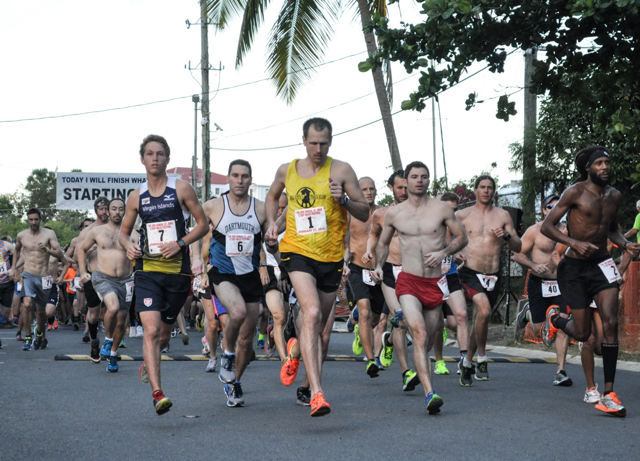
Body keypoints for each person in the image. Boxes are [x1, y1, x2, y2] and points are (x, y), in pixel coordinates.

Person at [264, 117, 369, 417]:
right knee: (310, 313)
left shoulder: (342, 170)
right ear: (303, 140)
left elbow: (364, 212)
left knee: (319, 323)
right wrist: (273, 222)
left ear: (331, 141)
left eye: (323, 143)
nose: (318, 149)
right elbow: (272, 196)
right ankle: (317, 392)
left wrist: (345, 200)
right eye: (313, 143)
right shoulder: (288, 170)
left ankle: (295, 351)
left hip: (331, 256)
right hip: (297, 251)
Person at [540, 146, 640, 417]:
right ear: (588, 168)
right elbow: (546, 226)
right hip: (573, 268)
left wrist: (626, 245)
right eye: (599, 163)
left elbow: (613, 229)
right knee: (583, 333)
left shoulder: (615, 196)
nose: (605, 167)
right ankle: (556, 320)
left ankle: (608, 394)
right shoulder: (574, 192)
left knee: (611, 323)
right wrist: (573, 242)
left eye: (608, 162)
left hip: (602, 265)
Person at [119, 134, 208, 415]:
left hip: (178, 273)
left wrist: (180, 243)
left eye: (159, 154)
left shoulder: (181, 189)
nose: (154, 158)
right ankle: (158, 394)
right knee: (152, 330)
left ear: (167, 159)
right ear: (142, 158)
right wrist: (129, 246)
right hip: (147, 271)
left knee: (165, 335)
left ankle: (151, 360)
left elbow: (203, 224)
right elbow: (123, 233)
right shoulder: (136, 196)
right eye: (149, 154)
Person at [373, 161, 468, 414]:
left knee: (426, 342)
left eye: (424, 177)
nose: (419, 181)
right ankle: (430, 393)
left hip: (434, 283)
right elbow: (382, 244)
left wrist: (443, 253)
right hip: (409, 281)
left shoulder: (442, 210)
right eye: (414, 177)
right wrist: (379, 265)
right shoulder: (394, 214)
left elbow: (463, 237)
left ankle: (412, 355)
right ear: (406, 180)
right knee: (420, 333)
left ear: (429, 180)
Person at [200, 159, 270, 408]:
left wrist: (272, 245)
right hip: (222, 272)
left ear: (251, 180)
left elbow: (271, 240)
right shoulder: (212, 207)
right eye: (235, 176)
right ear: (228, 179)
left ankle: (234, 382)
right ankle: (226, 356)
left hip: (249, 274)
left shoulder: (261, 208)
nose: (240, 180)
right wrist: (199, 264)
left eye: (245, 176)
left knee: (247, 340)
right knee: (237, 312)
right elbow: (197, 236)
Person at [455, 175, 522, 385]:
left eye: (489, 188)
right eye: (482, 187)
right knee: (483, 310)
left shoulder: (503, 216)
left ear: (494, 191)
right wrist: (454, 253)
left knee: (480, 320)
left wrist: (507, 236)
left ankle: (466, 363)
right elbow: (445, 238)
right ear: (475, 190)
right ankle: (482, 359)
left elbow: (518, 247)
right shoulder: (462, 215)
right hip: (470, 271)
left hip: (493, 274)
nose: (485, 191)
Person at [362, 170, 420, 391]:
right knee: (401, 317)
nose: (404, 192)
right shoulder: (381, 214)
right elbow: (374, 234)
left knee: (419, 324)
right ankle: (406, 372)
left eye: (406, 187)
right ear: (391, 188)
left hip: (414, 272)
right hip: (389, 271)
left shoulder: (420, 213)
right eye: (399, 188)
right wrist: (370, 253)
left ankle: (387, 341)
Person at [513, 194, 572, 386]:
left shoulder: (569, 231)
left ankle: (561, 371)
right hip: (538, 283)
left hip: (560, 284)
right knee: (539, 330)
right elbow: (518, 255)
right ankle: (528, 313)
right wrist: (532, 265)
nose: (553, 209)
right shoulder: (535, 231)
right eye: (549, 207)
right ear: (543, 210)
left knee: (562, 325)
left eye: (557, 206)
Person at [78, 198, 135, 372]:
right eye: (113, 209)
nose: (117, 212)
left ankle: (112, 353)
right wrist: (82, 272)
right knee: (113, 307)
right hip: (103, 277)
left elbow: (140, 252)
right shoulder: (97, 231)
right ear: (108, 212)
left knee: (121, 321)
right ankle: (108, 340)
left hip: (126, 280)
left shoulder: (133, 233)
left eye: (120, 209)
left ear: (124, 211)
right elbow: (81, 249)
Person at [344, 177, 385, 377]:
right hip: (357, 268)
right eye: (364, 189)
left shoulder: (383, 213)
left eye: (372, 189)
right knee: (365, 312)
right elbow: (344, 243)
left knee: (375, 318)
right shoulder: (350, 214)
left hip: (378, 270)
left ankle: (361, 332)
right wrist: (344, 263)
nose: (369, 192)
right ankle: (371, 360)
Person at [9, 209, 66, 351]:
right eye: (31, 219)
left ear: (40, 219)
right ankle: (28, 336)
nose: (33, 222)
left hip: (44, 277)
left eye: (36, 219)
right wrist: (13, 268)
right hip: (28, 274)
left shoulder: (48, 234)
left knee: (41, 311)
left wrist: (47, 250)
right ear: (27, 220)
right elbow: (16, 251)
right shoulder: (22, 235)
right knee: (27, 305)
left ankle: (39, 333)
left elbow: (59, 252)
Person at [432, 192, 471, 375]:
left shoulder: (456, 226)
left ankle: (464, 361)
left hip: (450, 276)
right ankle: (439, 360)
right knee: (438, 323)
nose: (450, 214)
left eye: (454, 210)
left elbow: (462, 243)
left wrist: (458, 254)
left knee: (461, 316)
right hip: (430, 279)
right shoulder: (427, 225)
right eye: (447, 209)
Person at [74, 197, 110, 347]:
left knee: (113, 310)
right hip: (93, 275)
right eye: (101, 209)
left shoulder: (116, 228)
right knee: (94, 315)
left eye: (106, 208)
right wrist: (90, 250)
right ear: (96, 210)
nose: (104, 212)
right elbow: (77, 256)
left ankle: (110, 342)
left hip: (112, 277)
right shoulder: (87, 232)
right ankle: (94, 339)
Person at [261, 192, 292, 361]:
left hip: (289, 270)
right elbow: (257, 243)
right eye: (277, 208)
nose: (280, 212)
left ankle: (272, 333)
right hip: (270, 270)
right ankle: (285, 360)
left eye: (283, 208)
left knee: (285, 317)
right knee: (278, 316)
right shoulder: (263, 221)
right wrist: (262, 266)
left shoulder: (293, 222)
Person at [0, 237, 16, 326]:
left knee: (5, 313)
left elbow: (21, 257)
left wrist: (13, 269)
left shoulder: (6, 245)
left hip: (6, 283)